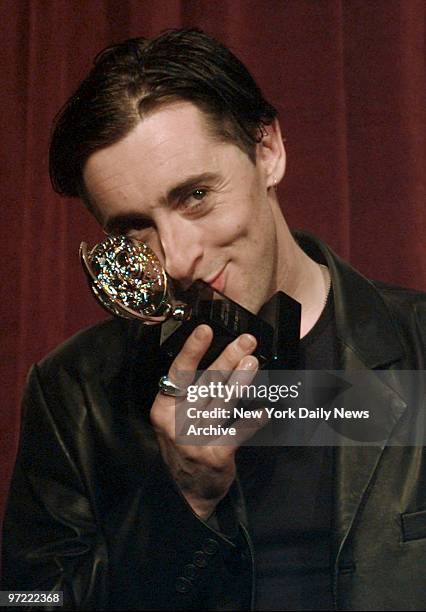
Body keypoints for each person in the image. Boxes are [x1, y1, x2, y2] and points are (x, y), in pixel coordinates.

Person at [2, 28, 425, 611]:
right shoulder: (75, 391)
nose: (175, 258)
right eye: (132, 228)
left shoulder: (420, 344)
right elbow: (27, 601)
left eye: (195, 195)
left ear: (268, 150)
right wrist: (183, 502)